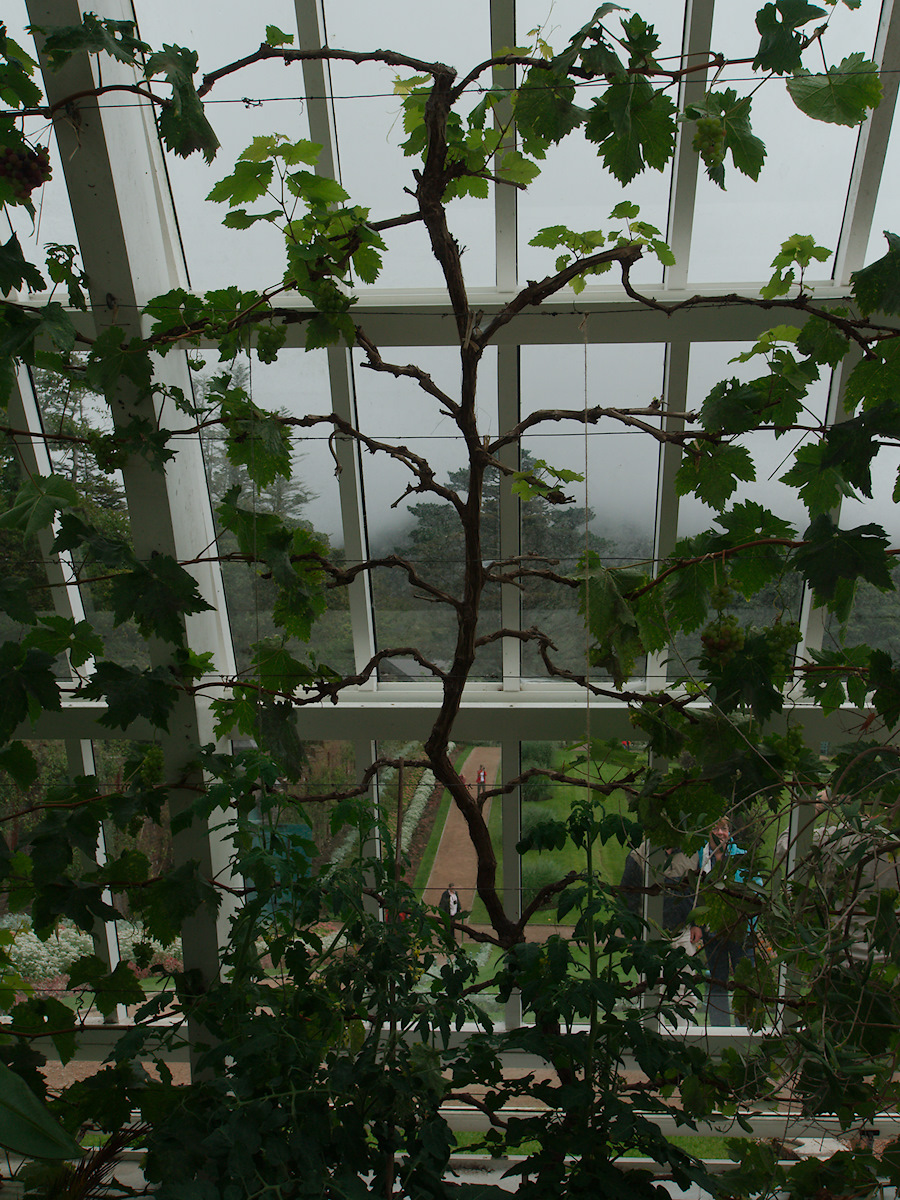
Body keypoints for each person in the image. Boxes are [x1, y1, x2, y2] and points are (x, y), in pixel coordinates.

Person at [689, 817, 755, 1026]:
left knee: (745, 979)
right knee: (717, 981)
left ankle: (746, 1026)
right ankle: (719, 1029)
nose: (719, 832)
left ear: (730, 832)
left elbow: (755, 891)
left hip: (739, 929)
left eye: (724, 829)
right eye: (715, 828)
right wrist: (696, 924)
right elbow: (694, 893)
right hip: (712, 929)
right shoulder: (698, 856)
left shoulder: (742, 857)